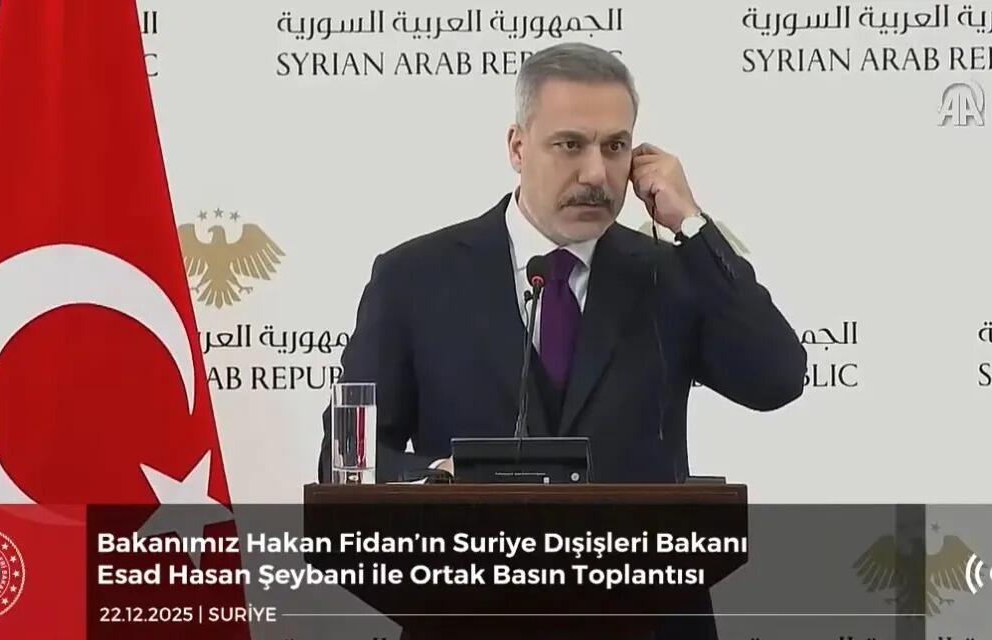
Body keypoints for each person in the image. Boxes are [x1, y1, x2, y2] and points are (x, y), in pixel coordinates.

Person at [318, 41, 806, 640]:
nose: (597, 174)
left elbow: (777, 378)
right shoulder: (412, 277)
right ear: (517, 147)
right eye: (570, 145)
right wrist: (438, 480)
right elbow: (348, 460)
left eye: (615, 147)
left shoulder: (672, 274)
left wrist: (693, 224)